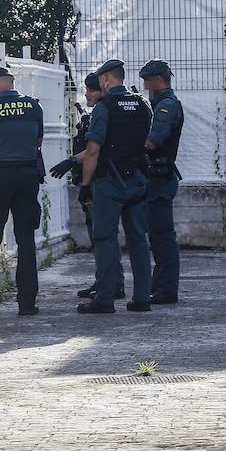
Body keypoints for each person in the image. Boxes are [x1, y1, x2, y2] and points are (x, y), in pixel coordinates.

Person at [77, 58, 153, 314]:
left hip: (110, 183)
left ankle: (105, 298)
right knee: (138, 240)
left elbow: (93, 150)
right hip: (138, 181)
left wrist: (85, 186)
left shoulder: (104, 107)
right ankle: (142, 298)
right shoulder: (142, 104)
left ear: (107, 79)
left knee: (105, 238)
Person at [0, 64, 45, 317]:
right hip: (27, 175)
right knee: (26, 240)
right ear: (10, 83)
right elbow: (38, 140)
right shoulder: (34, 106)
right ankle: (27, 304)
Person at [53, 73, 125, 301]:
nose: (87, 95)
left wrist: (72, 161)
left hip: (98, 182)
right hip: (96, 181)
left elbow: (96, 150)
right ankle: (106, 281)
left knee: (103, 237)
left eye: (91, 90)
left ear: (101, 90)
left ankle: (111, 284)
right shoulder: (95, 114)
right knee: (99, 238)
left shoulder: (104, 114)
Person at [139, 59, 183, 305]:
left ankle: (167, 289)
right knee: (156, 234)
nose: (145, 86)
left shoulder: (167, 105)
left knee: (162, 234)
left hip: (160, 177)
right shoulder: (158, 104)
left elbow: (153, 141)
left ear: (158, 80)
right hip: (154, 177)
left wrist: (130, 145)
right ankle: (160, 285)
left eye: (147, 81)